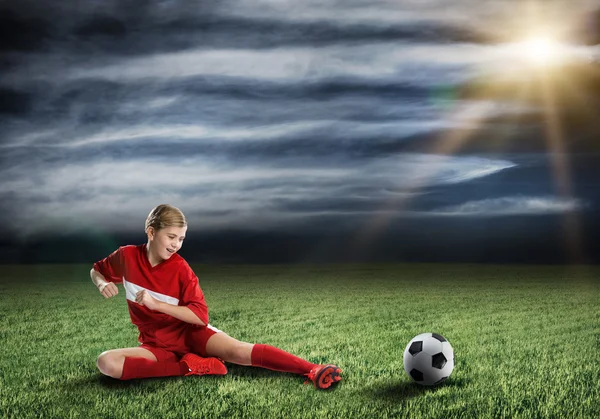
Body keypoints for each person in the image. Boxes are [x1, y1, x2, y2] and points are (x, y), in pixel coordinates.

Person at [91, 204, 342, 389]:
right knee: (107, 363)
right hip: (155, 343)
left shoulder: (180, 268)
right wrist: (102, 283)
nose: (176, 244)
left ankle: (311, 369)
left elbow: (200, 317)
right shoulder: (126, 256)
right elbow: (97, 270)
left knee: (238, 352)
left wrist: (156, 304)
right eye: (171, 237)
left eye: (181, 239)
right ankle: (190, 366)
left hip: (191, 334)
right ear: (151, 232)